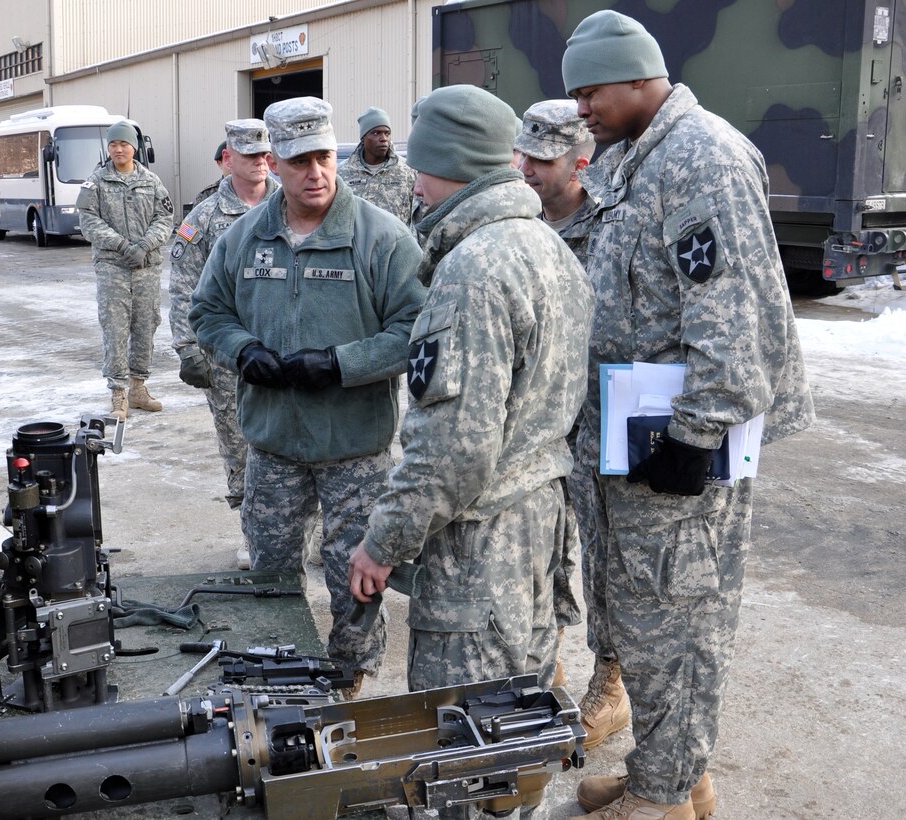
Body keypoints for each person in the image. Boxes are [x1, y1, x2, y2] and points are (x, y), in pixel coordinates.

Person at [560, 11, 814, 819]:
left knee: (679, 620)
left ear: (638, 77)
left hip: (679, 440)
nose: (580, 109)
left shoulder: (700, 155)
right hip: (633, 435)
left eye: (589, 90)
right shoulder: (638, 157)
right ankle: (672, 774)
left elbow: (735, 313)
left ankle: (663, 797)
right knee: (640, 613)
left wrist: (696, 433)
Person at [346, 83, 593, 795]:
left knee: (468, 748)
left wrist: (382, 541)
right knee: (517, 719)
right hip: (535, 524)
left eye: (420, 167)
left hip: (480, 550)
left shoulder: (473, 271)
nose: (413, 184)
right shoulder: (544, 247)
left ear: (448, 164)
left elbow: (452, 449)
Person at [190, 97, 425, 695]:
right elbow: (208, 311)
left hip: (354, 448)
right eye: (299, 162)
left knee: (356, 575)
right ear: (274, 163)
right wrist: (243, 350)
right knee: (269, 575)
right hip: (272, 447)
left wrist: (342, 364)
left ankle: (349, 677)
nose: (316, 173)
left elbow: (415, 332)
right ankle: (279, 674)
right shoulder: (245, 238)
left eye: (324, 157)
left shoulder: (381, 238)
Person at [515, 97, 629, 740]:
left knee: (606, 557)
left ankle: (609, 685)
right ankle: (546, 665)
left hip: (599, 423)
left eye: (543, 158)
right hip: (537, 424)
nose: (527, 168)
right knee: (538, 547)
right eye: (523, 153)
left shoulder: (613, 225)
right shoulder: (518, 225)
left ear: (580, 161)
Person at [169, 119, 278, 519]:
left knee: (296, 443)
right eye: (250, 155)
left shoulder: (292, 203)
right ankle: (252, 528)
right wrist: (187, 348)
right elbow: (184, 287)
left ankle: (305, 530)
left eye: (266, 155)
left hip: (287, 345)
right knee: (239, 445)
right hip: (227, 356)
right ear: (228, 158)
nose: (261, 163)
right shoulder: (205, 217)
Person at [78, 120, 174, 421]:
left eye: (124, 144)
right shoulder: (95, 182)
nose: (119, 149)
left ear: (134, 147)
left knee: (146, 326)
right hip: (113, 269)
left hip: (146, 268)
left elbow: (165, 219)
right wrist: (122, 245)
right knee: (116, 329)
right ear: (108, 148)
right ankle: (118, 395)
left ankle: (138, 389)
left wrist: (145, 245)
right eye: (113, 144)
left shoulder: (152, 181)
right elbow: (89, 222)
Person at [514, 100, 598, 267]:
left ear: (579, 168)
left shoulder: (609, 228)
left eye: (541, 160)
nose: (523, 169)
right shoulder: (515, 216)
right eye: (523, 155)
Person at [337, 106, 416, 225]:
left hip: (397, 242)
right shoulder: (342, 172)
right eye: (376, 133)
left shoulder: (407, 170)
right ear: (363, 138)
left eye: (387, 133)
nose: (384, 139)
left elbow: (418, 216)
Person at [191, 140, 229, 209]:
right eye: (228, 160)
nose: (234, 164)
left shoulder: (252, 191)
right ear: (219, 163)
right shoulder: (206, 195)